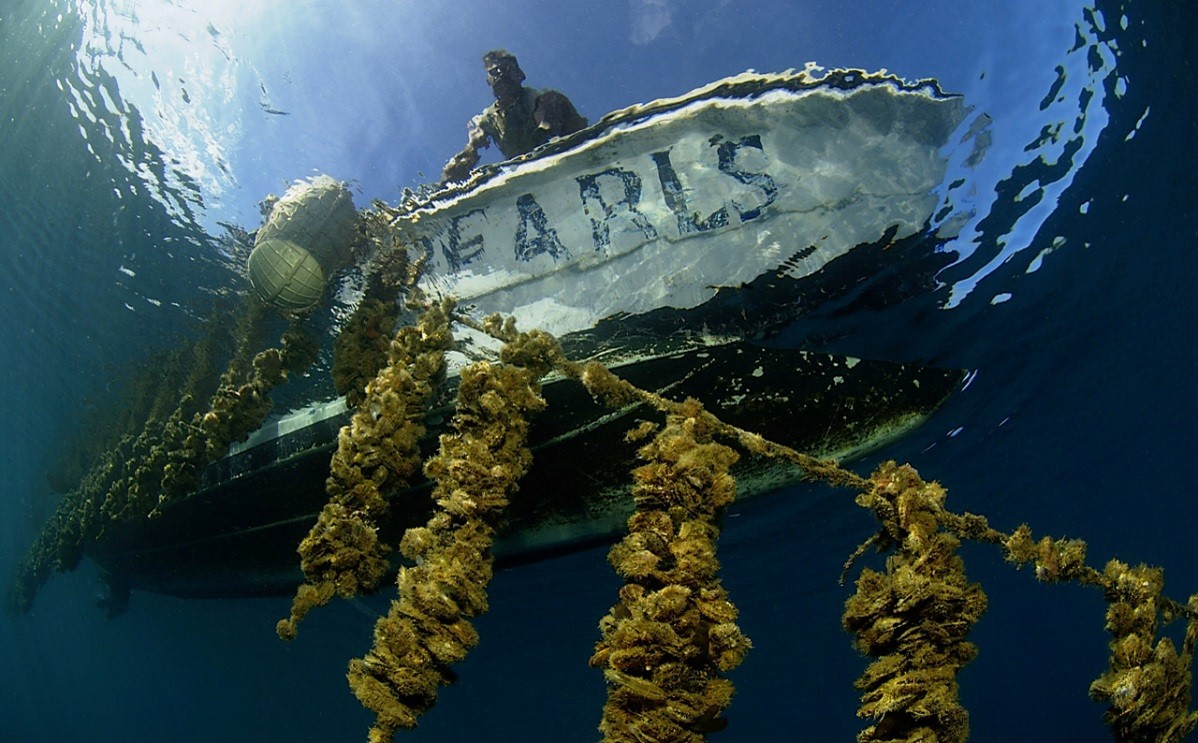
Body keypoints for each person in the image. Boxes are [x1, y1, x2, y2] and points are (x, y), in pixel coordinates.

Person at [440, 49, 588, 184]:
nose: (501, 75)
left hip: (562, 166)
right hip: (523, 177)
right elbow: (468, 154)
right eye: (494, 72)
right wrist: (445, 185)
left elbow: (570, 131)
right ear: (488, 82)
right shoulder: (486, 121)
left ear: (520, 75)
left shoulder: (544, 99)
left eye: (506, 69)